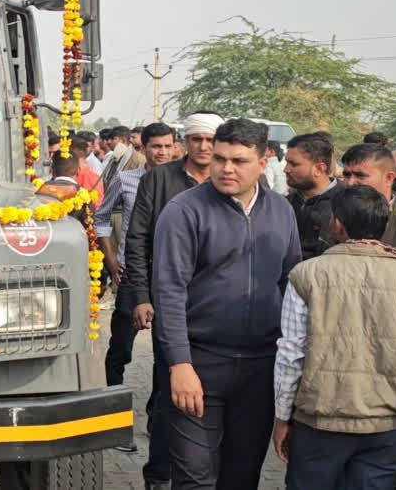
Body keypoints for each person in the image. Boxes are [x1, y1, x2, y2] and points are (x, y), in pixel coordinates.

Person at [153, 118, 301, 489]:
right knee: (195, 477)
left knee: (242, 474)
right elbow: (169, 291)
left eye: (238, 161)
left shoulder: (281, 211)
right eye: (220, 159)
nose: (225, 168)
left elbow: (291, 283)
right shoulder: (184, 211)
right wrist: (180, 364)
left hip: (260, 366)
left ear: (263, 162)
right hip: (200, 364)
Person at [272, 185, 396, 488]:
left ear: (338, 224)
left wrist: (282, 417)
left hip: (320, 423)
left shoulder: (306, 275)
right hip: (388, 425)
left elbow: (291, 354)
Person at [121, 111, 222, 489]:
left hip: (215, 305)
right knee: (168, 392)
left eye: (210, 140)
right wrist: (140, 297)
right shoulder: (160, 179)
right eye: (197, 139)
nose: (204, 147)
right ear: (186, 141)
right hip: (168, 300)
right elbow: (137, 239)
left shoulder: (227, 180)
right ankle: (158, 474)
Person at [98, 123, 175, 396]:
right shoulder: (126, 179)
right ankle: (113, 401)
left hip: (169, 274)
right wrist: (109, 259)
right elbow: (102, 217)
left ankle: (157, 414)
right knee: (121, 345)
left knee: (167, 350)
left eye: (168, 146)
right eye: (156, 146)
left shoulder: (182, 183)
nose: (162, 152)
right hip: (132, 272)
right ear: (144, 147)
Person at [341, 142, 396, 254]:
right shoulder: (336, 215)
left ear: (388, 178)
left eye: (360, 175)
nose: (350, 183)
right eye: (347, 175)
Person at [285, 132, 340, 260]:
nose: (286, 170)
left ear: (319, 169)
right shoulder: (283, 204)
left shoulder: (344, 203)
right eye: (287, 163)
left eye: (294, 164)